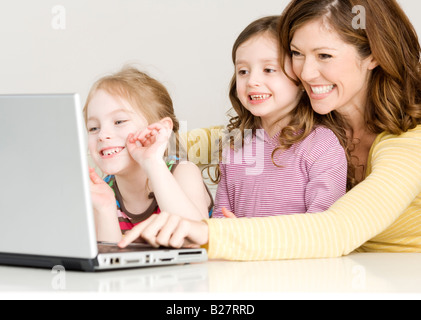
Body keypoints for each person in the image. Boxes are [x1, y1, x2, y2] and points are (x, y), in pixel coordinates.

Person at [119, 0, 421, 259]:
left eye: (324, 55)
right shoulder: (312, 121)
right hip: (328, 276)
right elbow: (195, 143)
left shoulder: (409, 143)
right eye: (296, 53)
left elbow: (339, 228)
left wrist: (207, 233)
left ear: (373, 55)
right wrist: (124, 144)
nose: (305, 71)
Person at [211, 16, 347, 219]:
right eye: (243, 71)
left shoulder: (321, 146)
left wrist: (252, 238)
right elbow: (220, 220)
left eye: (269, 70)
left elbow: (324, 227)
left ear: (300, 79)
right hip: (237, 250)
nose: (252, 81)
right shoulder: (235, 145)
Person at [85, 67, 213, 242]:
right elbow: (112, 262)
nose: (102, 135)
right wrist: (106, 209)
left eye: (119, 121)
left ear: (160, 129)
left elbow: (196, 243)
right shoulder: (103, 193)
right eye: (93, 128)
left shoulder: (183, 172)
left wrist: (152, 162)